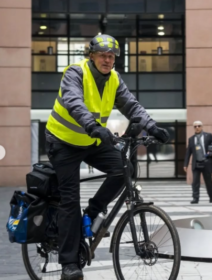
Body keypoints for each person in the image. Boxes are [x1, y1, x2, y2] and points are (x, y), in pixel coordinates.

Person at [44, 34, 169, 280]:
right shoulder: (75, 72)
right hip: (63, 142)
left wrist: (152, 127)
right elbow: (74, 103)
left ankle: (92, 212)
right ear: (91, 55)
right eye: (103, 55)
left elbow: (131, 106)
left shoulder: (114, 79)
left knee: (124, 169)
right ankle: (69, 264)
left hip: (91, 140)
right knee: (69, 200)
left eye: (111, 56)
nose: (108, 60)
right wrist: (93, 127)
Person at [183, 121, 212, 204]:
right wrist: (185, 164)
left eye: (199, 126)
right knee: (195, 182)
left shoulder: (208, 136)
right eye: (195, 126)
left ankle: (211, 196)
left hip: (206, 162)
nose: (197, 127)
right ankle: (195, 198)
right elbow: (188, 153)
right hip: (196, 163)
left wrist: (209, 154)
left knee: (208, 182)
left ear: (202, 127)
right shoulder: (191, 139)